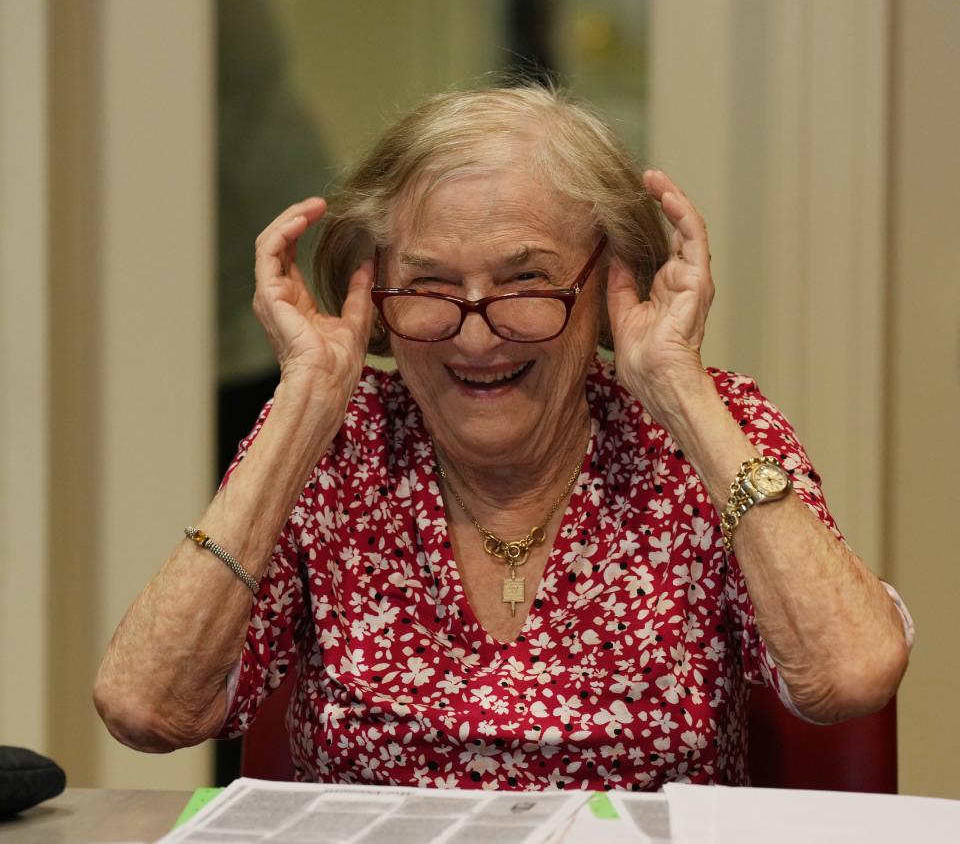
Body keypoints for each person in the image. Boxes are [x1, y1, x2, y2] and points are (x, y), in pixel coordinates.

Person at [94, 85, 911, 790]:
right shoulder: (337, 446)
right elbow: (146, 709)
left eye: (526, 282)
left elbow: (849, 677)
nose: (477, 337)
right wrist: (304, 401)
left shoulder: (704, 428)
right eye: (429, 286)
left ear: (609, 279)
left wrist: (682, 391)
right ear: (373, 292)